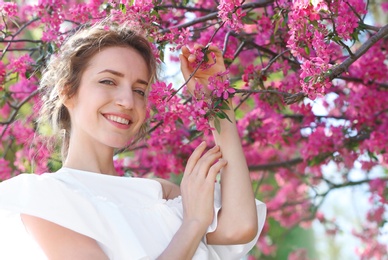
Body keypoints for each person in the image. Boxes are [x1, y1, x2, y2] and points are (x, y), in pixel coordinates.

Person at [0, 21, 266, 260]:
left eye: (139, 90)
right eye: (108, 81)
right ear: (68, 92)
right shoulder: (45, 198)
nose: (127, 101)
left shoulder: (159, 194)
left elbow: (238, 227)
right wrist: (194, 223)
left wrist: (217, 105)